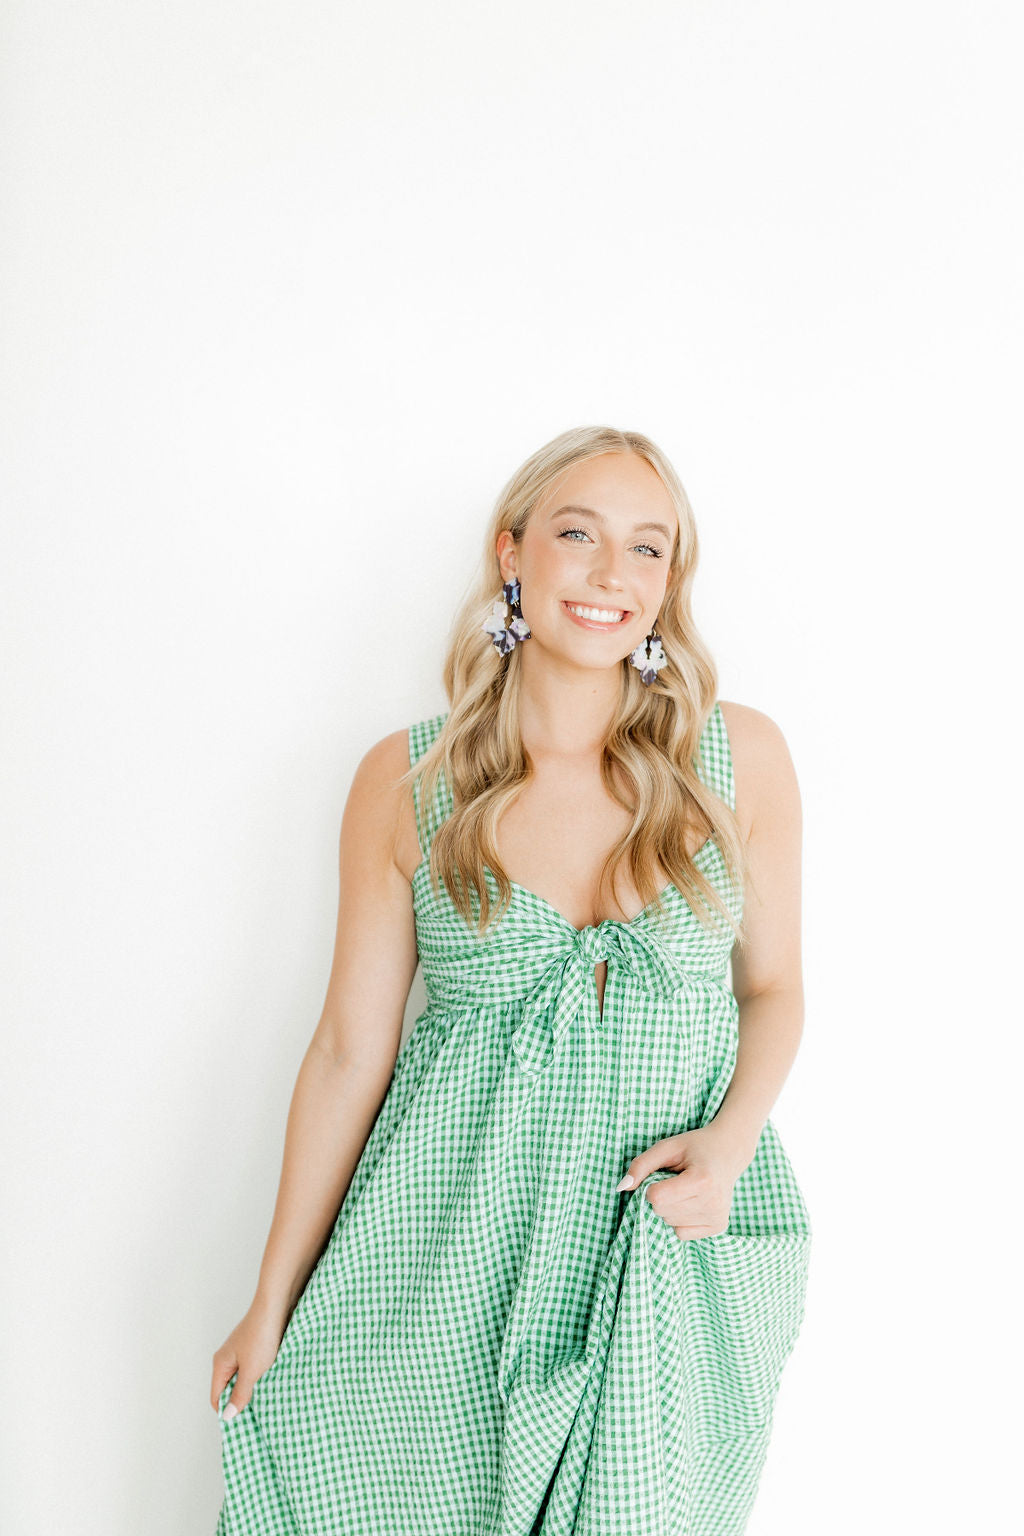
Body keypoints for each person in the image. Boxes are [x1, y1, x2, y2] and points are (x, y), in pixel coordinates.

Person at [210, 424, 812, 1536]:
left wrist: (728, 1151)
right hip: (443, 1255)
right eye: (578, 534)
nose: (610, 573)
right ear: (512, 552)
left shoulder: (737, 760)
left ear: (669, 581)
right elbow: (348, 1052)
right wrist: (271, 1299)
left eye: (647, 548)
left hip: (653, 1253)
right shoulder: (408, 780)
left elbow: (773, 989)